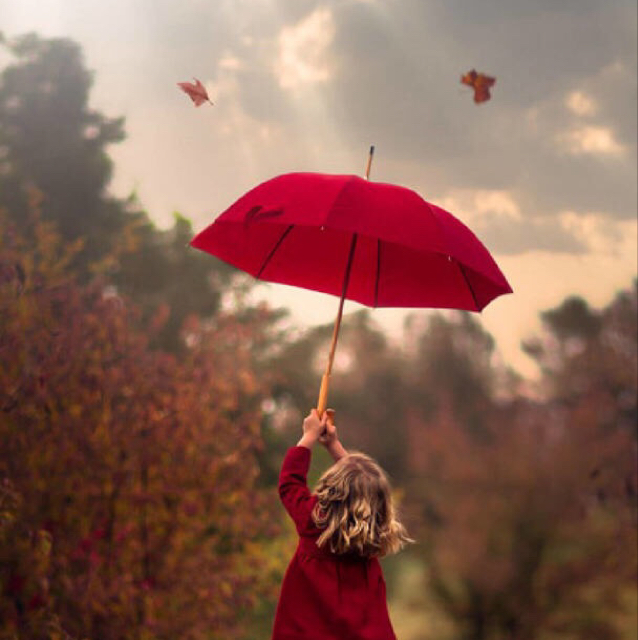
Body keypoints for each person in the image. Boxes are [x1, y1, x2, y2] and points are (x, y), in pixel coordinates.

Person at [272, 409, 412, 640]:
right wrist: (334, 445)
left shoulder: (313, 521)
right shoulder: (373, 533)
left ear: (330, 486)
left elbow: (290, 483)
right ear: (380, 503)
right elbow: (363, 485)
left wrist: (308, 437)